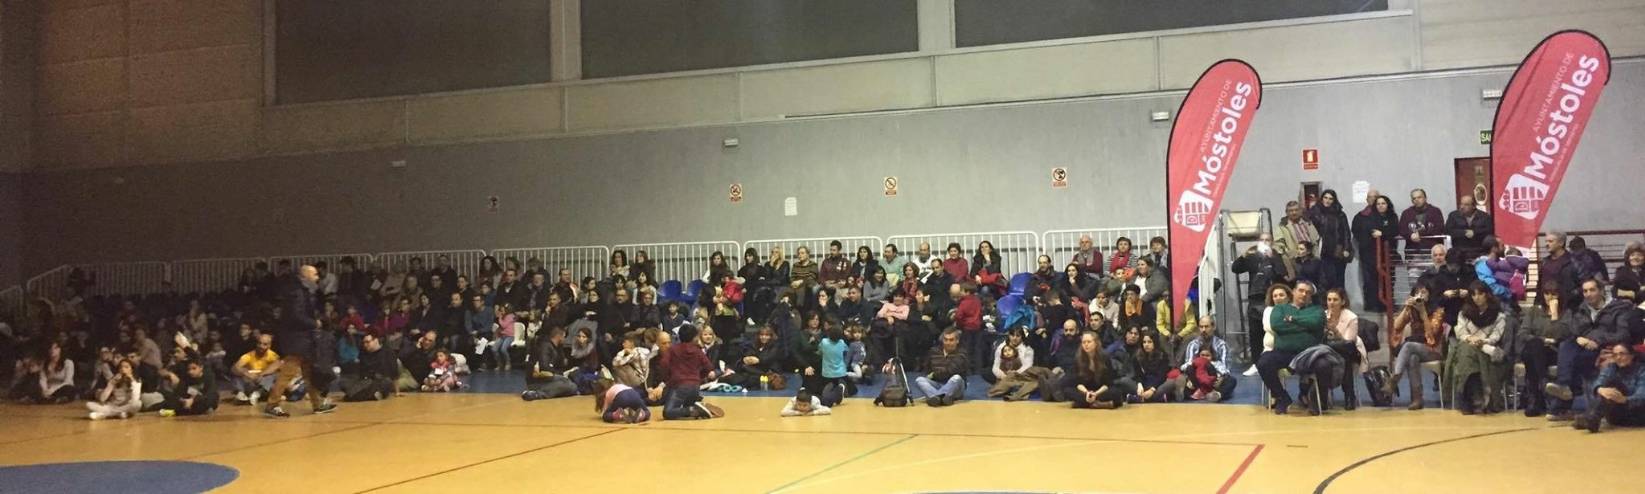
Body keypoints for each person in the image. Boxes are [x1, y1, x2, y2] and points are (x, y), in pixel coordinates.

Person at [1546, 279, 1635, 420]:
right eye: (1585, 291)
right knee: (1566, 345)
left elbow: (1623, 334)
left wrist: (1597, 341)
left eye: (1592, 290)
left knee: (1578, 360)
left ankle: (1562, 404)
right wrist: (1578, 337)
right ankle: (1563, 386)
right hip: (1584, 345)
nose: (1588, 294)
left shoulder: (1618, 309)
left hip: (1605, 347)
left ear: (1601, 291)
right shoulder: (1582, 309)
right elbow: (1571, 331)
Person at [265, 265, 337, 417]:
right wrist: (314, 323)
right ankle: (272, 404)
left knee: (309, 372)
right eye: (315, 275)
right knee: (288, 371)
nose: (317, 278)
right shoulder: (297, 293)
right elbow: (296, 316)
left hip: (301, 339)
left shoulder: (300, 291)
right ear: (305, 276)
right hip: (296, 339)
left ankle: (317, 403)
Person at [1258, 281, 1325, 414]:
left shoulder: (1317, 310)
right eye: (1301, 290)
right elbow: (1277, 326)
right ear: (1293, 292)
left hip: (1309, 354)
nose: (1304, 294)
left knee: (1325, 365)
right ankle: (1282, 397)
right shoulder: (1280, 309)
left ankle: (1315, 400)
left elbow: (1316, 323)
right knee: (1263, 362)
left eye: (1308, 292)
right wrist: (1306, 328)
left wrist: (1292, 320)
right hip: (1283, 352)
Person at [1447, 281, 1507, 415]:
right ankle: (1477, 397)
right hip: (1467, 344)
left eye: (1480, 294)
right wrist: (1471, 339)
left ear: (1487, 295)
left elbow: (1496, 337)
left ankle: (1468, 400)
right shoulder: (1464, 313)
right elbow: (1461, 333)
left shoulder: (1498, 316)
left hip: (1486, 348)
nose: (1477, 298)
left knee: (1468, 355)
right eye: (1473, 295)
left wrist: (1482, 341)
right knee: (1466, 350)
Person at [1233, 233, 1287, 364]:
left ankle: (1274, 361)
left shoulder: (1276, 256)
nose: (1265, 242)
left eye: (1267, 240)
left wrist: (1272, 258)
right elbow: (1235, 268)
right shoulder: (1253, 257)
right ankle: (1256, 362)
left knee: (1272, 331)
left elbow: (1282, 274)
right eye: (1262, 240)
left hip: (1272, 299)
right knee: (1255, 332)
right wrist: (1244, 255)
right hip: (1255, 298)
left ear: (1272, 242)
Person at [1516, 282, 1566, 416]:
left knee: (1532, 354)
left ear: (1559, 295)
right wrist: (1543, 340)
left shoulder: (1566, 313)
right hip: (1535, 349)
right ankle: (1543, 382)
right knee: (1535, 346)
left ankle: (1534, 397)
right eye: (1547, 293)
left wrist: (1554, 315)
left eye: (1554, 294)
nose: (1550, 297)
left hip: (1554, 351)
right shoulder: (1534, 311)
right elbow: (1523, 333)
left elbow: (1562, 335)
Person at [1572, 343, 1645, 433]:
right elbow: (1599, 381)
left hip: (1637, 415)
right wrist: (1600, 389)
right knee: (1608, 386)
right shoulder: (1611, 367)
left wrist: (1624, 400)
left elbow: (1642, 396)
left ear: (1631, 355)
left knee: (1615, 384)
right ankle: (1592, 418)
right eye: (1615, 355)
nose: (1618, 357)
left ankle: (1591, 418)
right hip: (1616, 417)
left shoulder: (1642, 370)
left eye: (1622, 354)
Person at [662, 324, 725, 420]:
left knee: (668, 412)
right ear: (694, 337)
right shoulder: (697, 351)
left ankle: (694, 409)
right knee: (684, 410)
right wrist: (699, 377)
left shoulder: (673, 349)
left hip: (679, 385)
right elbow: (709, 367)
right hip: (695, 388)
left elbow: (664, 364)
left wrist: (668, 377)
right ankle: (695, 409)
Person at [1352, 192, 1400, 312]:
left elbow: (1394, 231)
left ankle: (1387, 304)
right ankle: (1374, 305)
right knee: (1371, 281)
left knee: (1388, 279)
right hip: (1370, 254)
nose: (1380, 205)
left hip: (1388, 253)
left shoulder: (1392, 217)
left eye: (1383, 203)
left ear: (1388, 205)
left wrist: (1383, 234)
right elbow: (1365, 232)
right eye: (1378, 203)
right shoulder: (1367, 217)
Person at [1322, 288, 1365, 409]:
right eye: (1329, 299)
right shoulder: (1323, 315)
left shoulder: (1351, 317)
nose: (1331, 303)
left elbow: (1348, 341)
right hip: (1330, 351)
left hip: (1350, 349)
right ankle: (1349, 395)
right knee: (1343, 358)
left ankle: (1348, 395)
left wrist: (1334, 330)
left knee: (1345, 353)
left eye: (1335, 300)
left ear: (1343, 302)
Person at [1180, 316, 1237, 402]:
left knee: (1232, 381)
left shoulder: (1221, 345)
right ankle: (1201, 392)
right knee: (1187, 372)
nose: (1203, 330)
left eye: (1206, 327)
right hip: (1197, 380)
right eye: (1201, 327)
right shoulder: (1192, 345)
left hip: (1215, 379)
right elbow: (1188, 365)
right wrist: (1189, 379)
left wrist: (1221, 378)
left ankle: (1217, 394)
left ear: (1213, 327)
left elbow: (1226, 368)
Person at [1308, 190, 1354, 294]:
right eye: (1325, 198)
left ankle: (1341, 300)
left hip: (1338, 250)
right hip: (1322, 251)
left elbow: (1346, 232)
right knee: (1324, 278)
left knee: (1339, 279)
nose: (1327, 200)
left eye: (1330, 198)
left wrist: (1347, 248)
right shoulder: (1315, 213)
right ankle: (1326, 300)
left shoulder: (1340, 214)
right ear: (1321, 199)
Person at [1066, 332, 1126, 409]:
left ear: (1096, 343)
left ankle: (1085, 404)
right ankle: (1101, 404)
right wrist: (1087, 393)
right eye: (1084, 342)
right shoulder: (1078, 358)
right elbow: (1077, 383)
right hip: (1085, 391)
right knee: (1067, 390)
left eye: (1089, 342)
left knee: (1116, 392)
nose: (1086, 344)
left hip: (1100, 390)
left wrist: (1096, 394)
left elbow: (1108, 383)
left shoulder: (1104, 357)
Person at [914, 329, 969, 407]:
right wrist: (930, 376)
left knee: (956, 378)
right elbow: (927, 368)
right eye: (945, 340)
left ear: (957, 341)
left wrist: (933, 375)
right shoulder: (933, 351)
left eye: (951, 340)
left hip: (955, 386)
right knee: (919, 380)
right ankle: (942, 398)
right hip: (937, 383)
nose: (948, 343)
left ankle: (934, 396)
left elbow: (950, 370)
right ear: (942, 340)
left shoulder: (962, 353)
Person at [1275, 201, 1321, 283]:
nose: (1294, 212)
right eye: (1291, 210)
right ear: (1286, 212)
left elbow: (1316, 239)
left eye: (1296, 210)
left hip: (1311, 258)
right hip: (1295, 260)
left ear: (1300, 211)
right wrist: (1289, 256)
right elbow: (1279, 245)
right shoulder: (1282, 226)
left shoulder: (1308, 223)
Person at [1537, 231, 1582, 309]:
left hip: (1569, 308)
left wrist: (1570, 297)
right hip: (1547, 308)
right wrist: (1537, 304)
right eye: (1546, 241)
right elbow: (1539, 286)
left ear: (1561, 243)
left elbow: (1584, 285)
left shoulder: (1574, 262)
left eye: (1550, 241)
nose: (1547, 244)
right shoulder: (1544, 262)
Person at [1446, 194, 1493, 260]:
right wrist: (1464, 233)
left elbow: (1489, 231)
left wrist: (1474, 232)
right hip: (1459, 250)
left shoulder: (1484, 216)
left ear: (1473, 206)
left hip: (1479, 250)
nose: (1462, 207)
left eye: (1466, 205)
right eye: (1461, 204)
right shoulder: (1453, 216)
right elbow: (1448, 230)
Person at [1399, 188, 1445, 256]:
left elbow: (1440, 228)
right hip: (1413, 251)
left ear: (1425, 198)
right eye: (1414, 198)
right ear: (1412, 201)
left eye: (1419, 197)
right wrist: (1410, 235)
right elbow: (1401, 229)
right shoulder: (1406, 213)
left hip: (1433, 251)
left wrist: (1420, 233)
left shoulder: (1435, 211)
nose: (1416, 200)